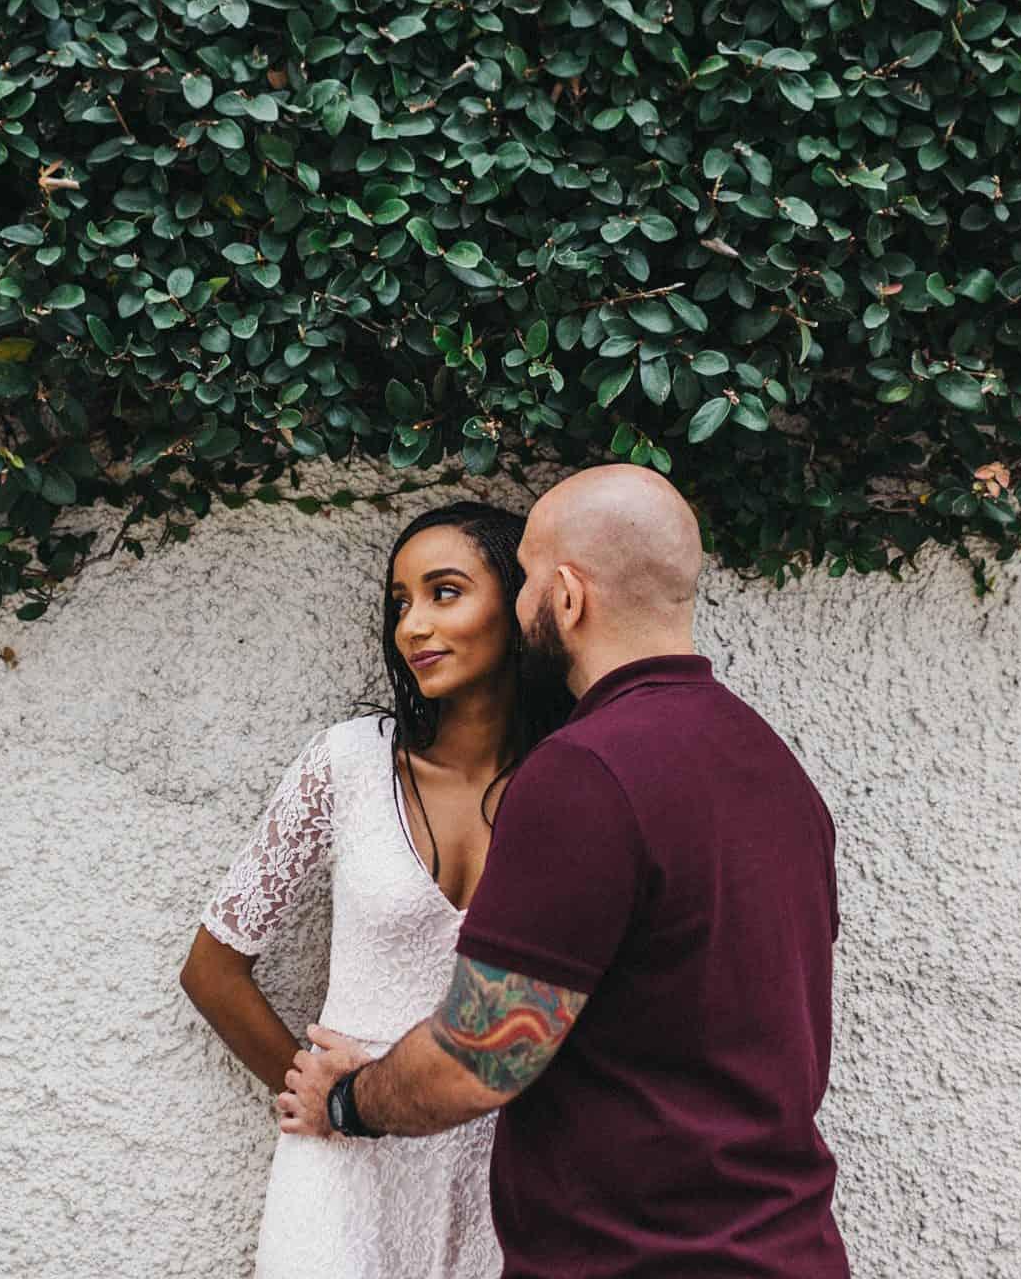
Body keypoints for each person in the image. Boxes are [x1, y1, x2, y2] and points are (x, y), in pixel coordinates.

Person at [280, 465, 850, 1278]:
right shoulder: (775, 768)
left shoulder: (584, 771)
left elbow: (484, 1053)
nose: (518, 609)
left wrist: (349, 1099)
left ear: (569, 597)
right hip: (792, 1253)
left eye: (525, 585)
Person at [180, 501, 573, 1278]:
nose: (413, 626)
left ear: (519, 600)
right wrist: (320, 1094)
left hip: (502, 1168)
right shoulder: (349, 764)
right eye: (400, 603)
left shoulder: (572, 782)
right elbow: (211, 969)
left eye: (445, 592)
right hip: (340, 1167)